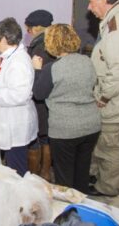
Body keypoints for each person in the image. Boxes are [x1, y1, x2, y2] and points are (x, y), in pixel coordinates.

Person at [32, 24, 101, 194]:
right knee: (82, 174)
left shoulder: (52, 68)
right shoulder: (87, 61)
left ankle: (69, 214)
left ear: (51, 43)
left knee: (64, 179)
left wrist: (37, 71)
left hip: (65, 130)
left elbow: (39, 94)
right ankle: (83, 208)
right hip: (91, 125)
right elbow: (92, 84)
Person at [0, 17, 38, 176]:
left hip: (16, 123)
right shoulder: (11, 57)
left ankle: (22, 199)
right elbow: (8, 84)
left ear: (4, 39)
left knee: (17, 170)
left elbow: (19, 94)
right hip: (11, 121)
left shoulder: (18, 61)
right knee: (12, 167)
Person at [87, 0, 119, 196]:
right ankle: (99, 177)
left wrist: (103, 97)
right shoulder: (115, 20)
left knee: (110, 147)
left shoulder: (116, 27)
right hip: (116, 98)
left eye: (92, 2)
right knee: (104, 144)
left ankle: (107, 188)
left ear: (104, 0)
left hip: (114, 101)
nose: (89, 7)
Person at [24, 10, 55, 181]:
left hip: (40, 93)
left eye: (29, 29)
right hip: (49, 94)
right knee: (46, 136)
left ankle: (38, 173)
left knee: (38, 135)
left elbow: (38, 72)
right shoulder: (51, 41)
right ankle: (45, 171)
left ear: (37, 28)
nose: (28, 33)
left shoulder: (40, 46)